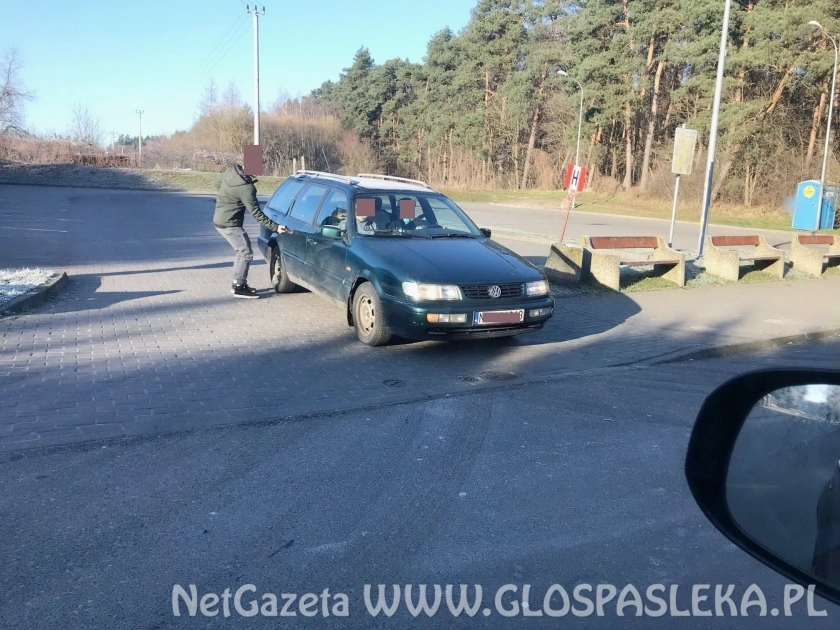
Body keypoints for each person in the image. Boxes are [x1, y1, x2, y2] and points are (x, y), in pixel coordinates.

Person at [213, 163, 288, 299]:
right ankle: (239, 288)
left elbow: (217, 184)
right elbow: (257, 214)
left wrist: (227, 199)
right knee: (245, 253)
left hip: (220, 219)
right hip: (230, 224)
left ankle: (238, 283)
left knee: (241, 252)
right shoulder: (247, 188)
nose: (262, 170)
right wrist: (276, 227)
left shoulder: (231, 172)